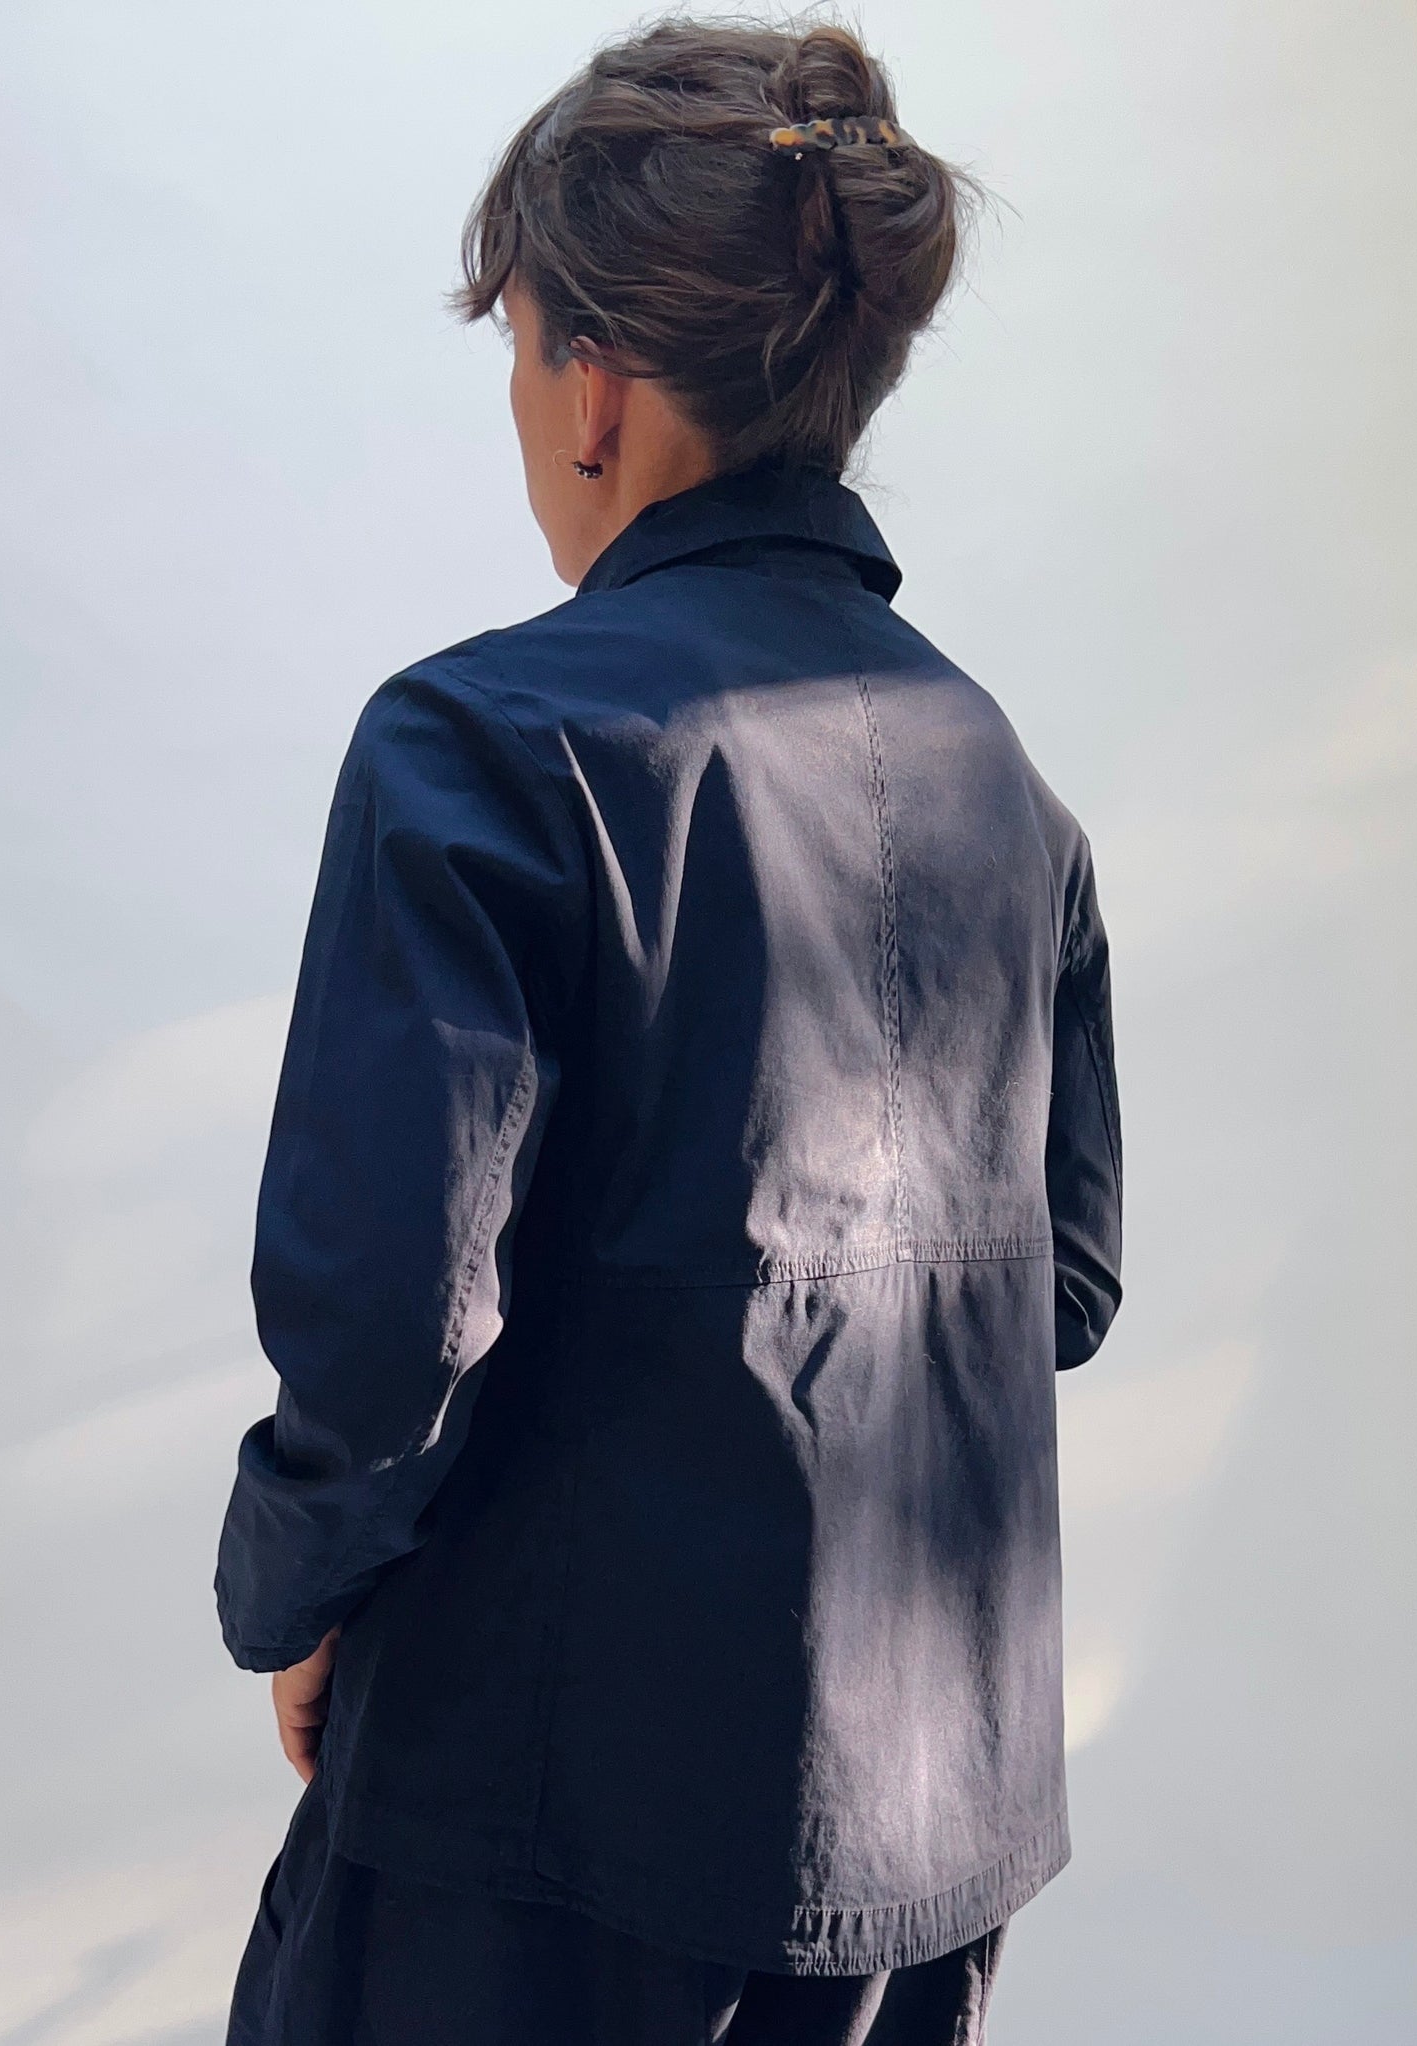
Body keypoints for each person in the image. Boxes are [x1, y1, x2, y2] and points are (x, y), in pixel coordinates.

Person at [213, 18, 1122, 2044]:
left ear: (598, 387)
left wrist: (296, 1591)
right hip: (927, 1852)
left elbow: (383, 1324)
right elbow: (1056, 1290)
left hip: (539, 1842)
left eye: (522, 348)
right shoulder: (1012, 788)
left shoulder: (477, 747)